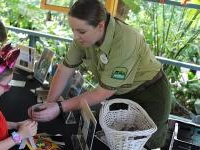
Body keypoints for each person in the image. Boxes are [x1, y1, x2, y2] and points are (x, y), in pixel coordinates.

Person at [28, 0, 171, 149]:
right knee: (104, 141)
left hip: (149, 94)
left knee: (140, 145)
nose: (76, 36)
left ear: (100, 25)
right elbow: (65, 69)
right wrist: (50, 104)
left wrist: (59, 107)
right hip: (119, 93)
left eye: (81, 31)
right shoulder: (83, 37)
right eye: (73, 30)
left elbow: (102, 93)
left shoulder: (124, 42)